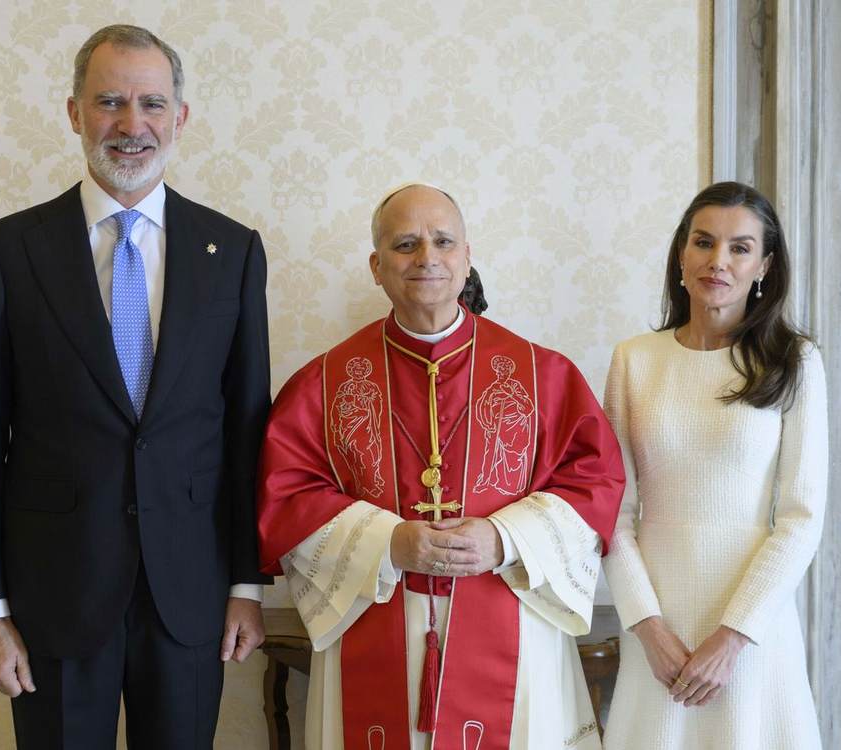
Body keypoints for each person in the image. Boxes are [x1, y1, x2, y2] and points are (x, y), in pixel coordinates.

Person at [0, 25, 271, 748]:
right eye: (110, 102)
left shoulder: (234, 253)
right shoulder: (4, 253)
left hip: (191, 600)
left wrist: (247, 587)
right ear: (74, 113)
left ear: (179, 118)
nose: (133, 124)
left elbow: (250, 434)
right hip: (52, 600)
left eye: (153, 103)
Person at [257, 182, 626, 749]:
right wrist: (387, 542)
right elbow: (286, 497)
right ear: (377, 266)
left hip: (509, 613)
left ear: (467, 257)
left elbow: (594, 482)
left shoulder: (542, 375)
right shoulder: (323, 384)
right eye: (406, 244)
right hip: (377, 613)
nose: (427, 256)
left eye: (443, 241)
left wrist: (504, 538)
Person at [601, 181, 827, 749]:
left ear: (764, 267)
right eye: (704, 242)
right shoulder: (634, 360)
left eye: (740, 248)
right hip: (657, 622)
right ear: (682, 253)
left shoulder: (794, 361)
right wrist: (647, 628)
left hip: (754, 628)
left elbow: (801, 517)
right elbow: (612, 511)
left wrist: (733, 636)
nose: (718, 261)